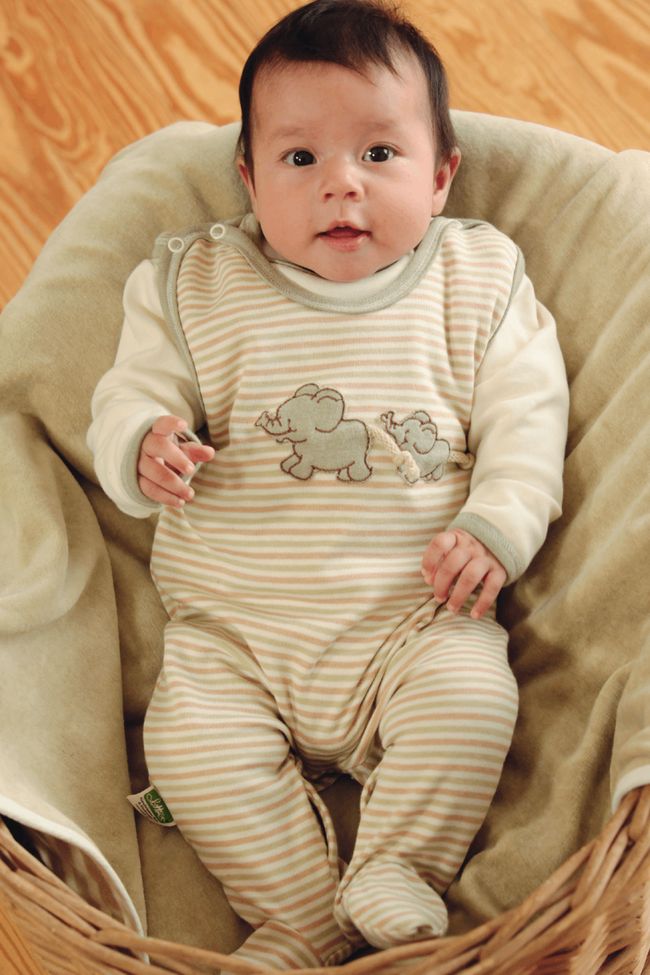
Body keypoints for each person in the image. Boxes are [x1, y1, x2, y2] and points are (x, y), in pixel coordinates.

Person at [88, 0, 569, 967]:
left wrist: (497, 523)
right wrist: (141, 441)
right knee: (192, 745)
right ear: (248, 178)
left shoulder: (475, 278)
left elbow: (530, 415)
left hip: (417, 617)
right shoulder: (198, 282)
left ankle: (397, 866)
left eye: (379, 154)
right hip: (236, 631)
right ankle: (302, 916)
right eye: (300, 158)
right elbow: (128, 392)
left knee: (473, 698)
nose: (341, 184)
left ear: (441, 176)